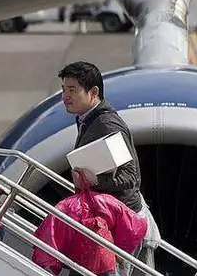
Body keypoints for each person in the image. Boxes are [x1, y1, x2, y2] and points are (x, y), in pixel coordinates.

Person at [59, 61, 161, 275]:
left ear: (93, 92)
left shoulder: (106, 124)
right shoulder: (88, 119)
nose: (65, 97)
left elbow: (131, 176)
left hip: (124, 222)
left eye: (72, 90)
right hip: (117, 218)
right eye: (63, 90)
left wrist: (96, 181)